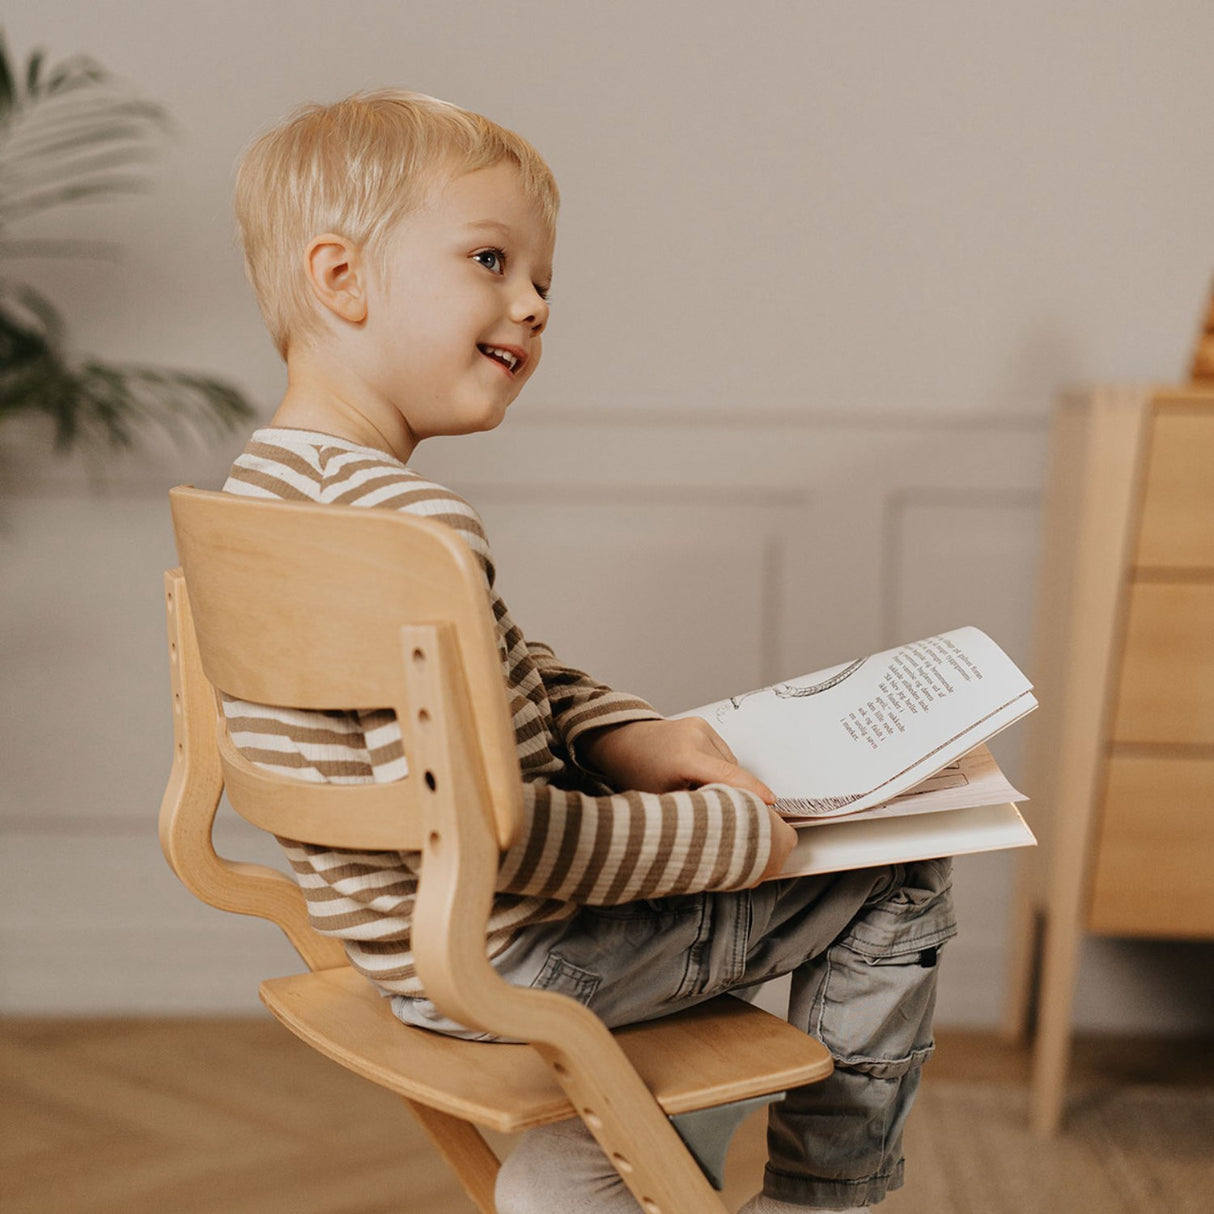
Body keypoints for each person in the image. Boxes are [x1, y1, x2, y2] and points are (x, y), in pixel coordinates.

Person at [224, 89, 956, 1213]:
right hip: (522, 956)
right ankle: (826, 1196)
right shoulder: (414, 531)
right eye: (490, 259)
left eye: (543, 281)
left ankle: (594, 1158)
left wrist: (629, 735)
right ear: (342, 278)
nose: (531, 303)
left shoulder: (258, 500)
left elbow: (507, 665)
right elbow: (509, 837)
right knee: (899, 863)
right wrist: (733, 836)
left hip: (398, 951)